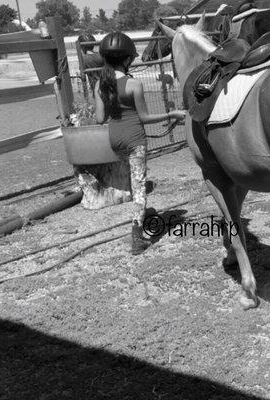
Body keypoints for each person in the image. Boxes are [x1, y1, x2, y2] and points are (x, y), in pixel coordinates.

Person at [94, 32, 186, 255]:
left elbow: (99, 119)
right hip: (135, 140)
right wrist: (171, 114)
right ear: (127, 59)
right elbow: (144, 118)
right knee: (139, 188)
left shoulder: (100, 84)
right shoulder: (133, 84)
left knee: (133, 180)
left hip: (115, 141)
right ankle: (137, 238)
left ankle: (141, 213)